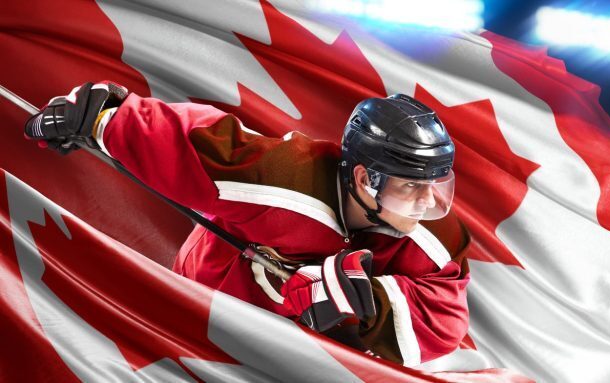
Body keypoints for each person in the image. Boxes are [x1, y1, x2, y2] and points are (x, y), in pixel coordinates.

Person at [24, 82, 470, 366]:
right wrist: (101, 117)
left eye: (438, 186)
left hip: (296, 357)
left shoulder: (434, 234)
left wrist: (363, 302)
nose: (429, 203)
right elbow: (193, 143)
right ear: (361, 179)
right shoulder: (280, 177)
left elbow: (445, 314)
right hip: (207, 308)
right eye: (411, 187)